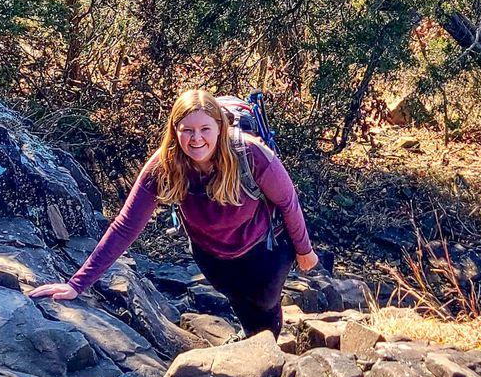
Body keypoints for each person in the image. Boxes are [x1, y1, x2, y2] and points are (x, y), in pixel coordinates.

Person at [29, 88, 318, 335]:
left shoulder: (251, 155)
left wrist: (304, 250)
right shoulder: (165, 166)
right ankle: (255, 346)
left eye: (205, 129)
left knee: (264, 302)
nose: (196, 139)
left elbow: (288, 202)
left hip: (264, 248)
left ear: (220, 127)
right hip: (211, 251)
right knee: (237, 297)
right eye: (187, 130)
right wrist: (76, 285)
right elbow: (126, 226)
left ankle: (267, 351)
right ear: (174, 130)